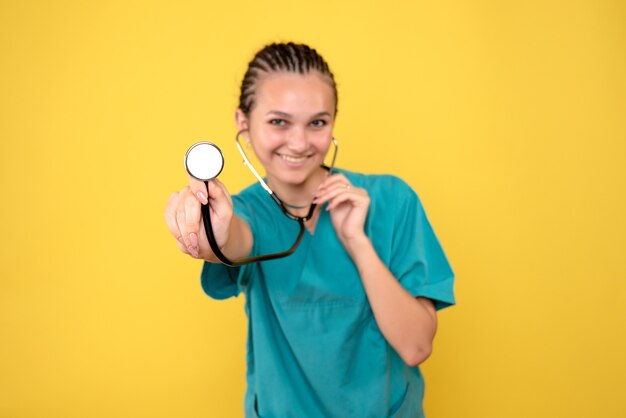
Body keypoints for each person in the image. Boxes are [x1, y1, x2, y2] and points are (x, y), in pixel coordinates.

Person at [164, 42, 455, 418]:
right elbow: (231, 239)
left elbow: (416, 347)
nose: (299, 143)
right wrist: (209, 228)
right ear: (243, 124)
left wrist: (358, 242)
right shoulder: (249, 211)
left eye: (317, 122)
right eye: (278, 122)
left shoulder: (392, 201)